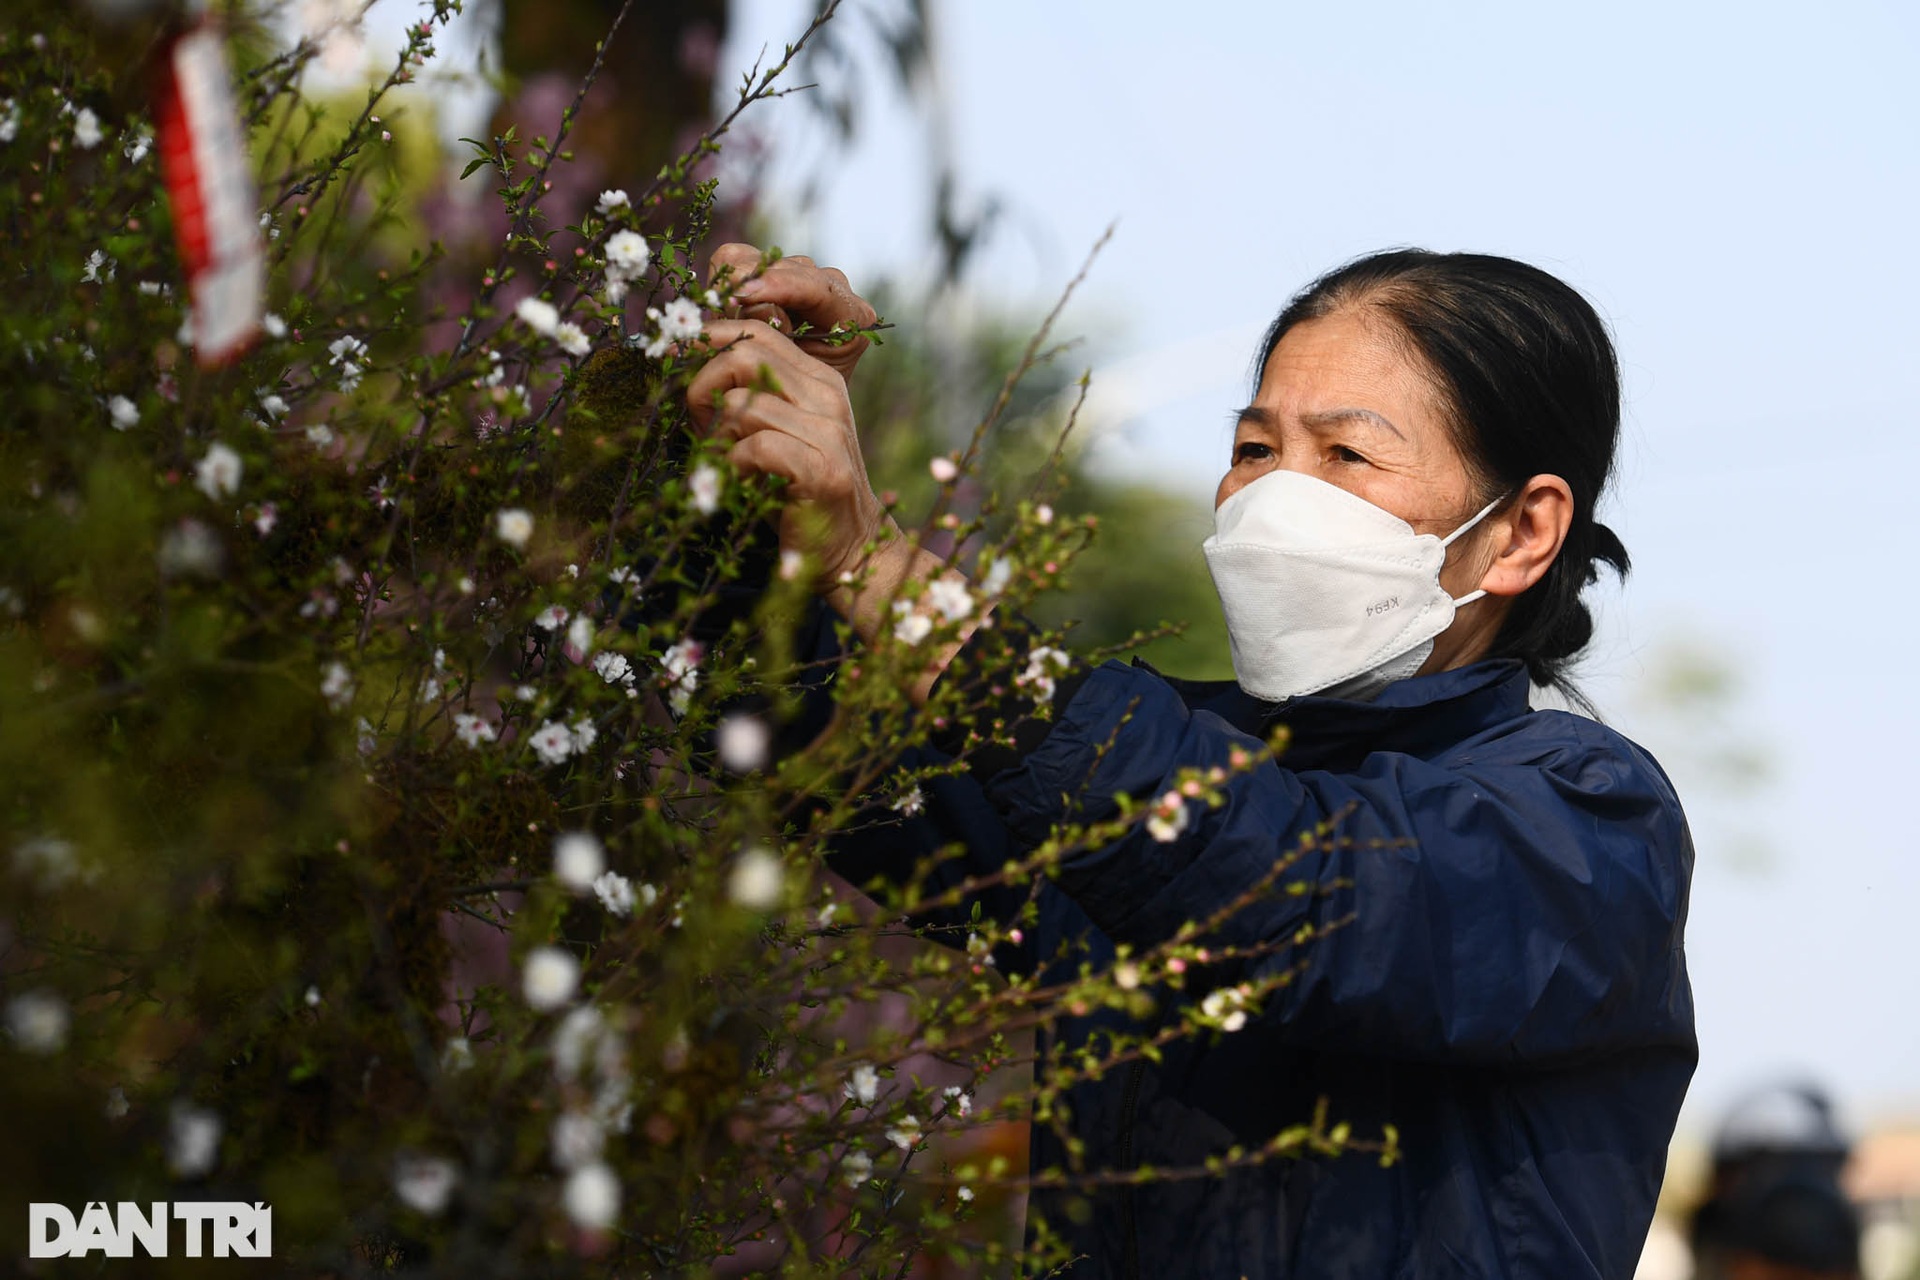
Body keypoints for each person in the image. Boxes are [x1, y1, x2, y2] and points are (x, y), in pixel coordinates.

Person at [682, 247, 1698, 1278]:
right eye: (1256, 448)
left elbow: (1284, 882)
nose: (1273, 500)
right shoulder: (1133, 772)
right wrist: (732, 463)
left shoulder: (1586, 821)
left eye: (1347, 456)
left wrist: (877, 562)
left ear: (1523, 531)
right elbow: (805, 740)